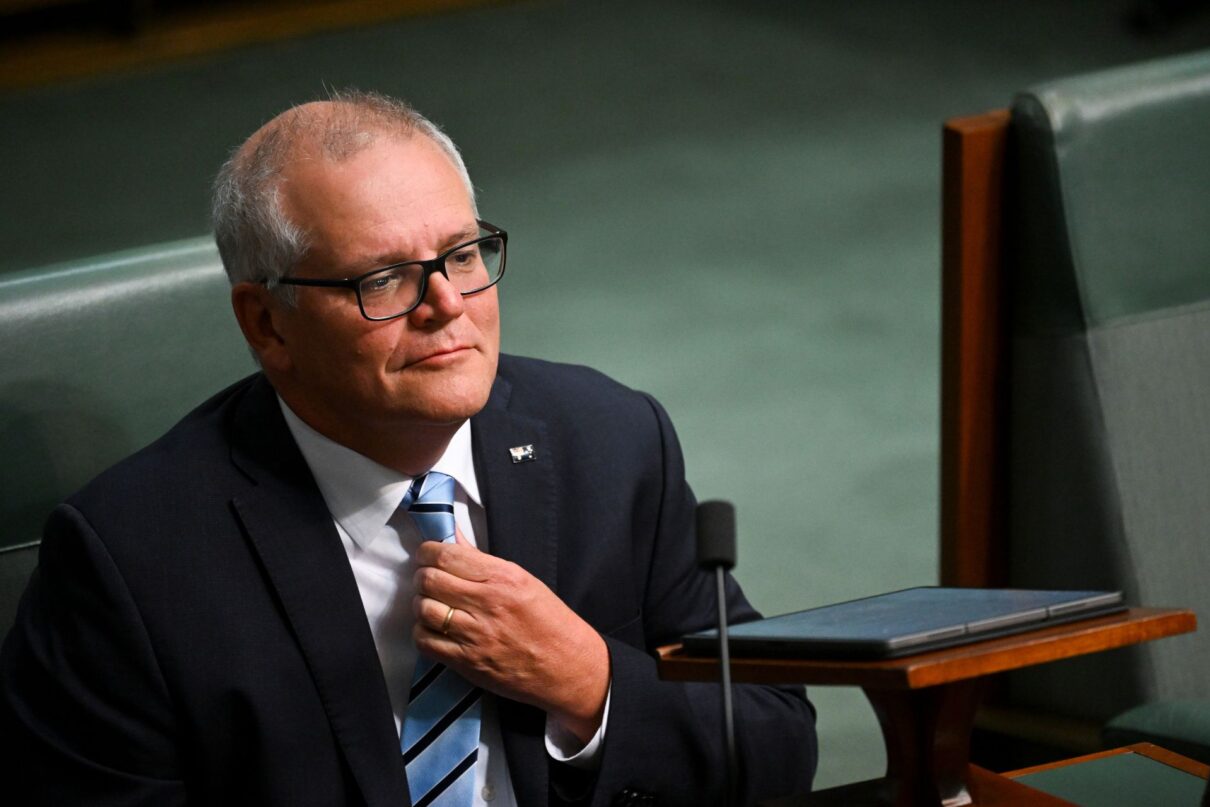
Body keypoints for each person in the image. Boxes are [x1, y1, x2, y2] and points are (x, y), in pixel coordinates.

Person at [0, 90, 817, 806]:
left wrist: (587, 680)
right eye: (384, 278)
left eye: (462, 256)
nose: (447, 304)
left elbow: (777, 742)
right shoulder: (132, 561)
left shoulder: (609, 439)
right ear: (267, 324)